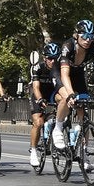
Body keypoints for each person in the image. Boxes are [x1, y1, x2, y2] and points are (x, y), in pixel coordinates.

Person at [50, 21, 94, 152]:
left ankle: (84, 153)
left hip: (77, 74)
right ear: (76, 35)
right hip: (60, 73)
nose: (88, 40)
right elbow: (65, 75)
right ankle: (58, 128)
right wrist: (71, 94)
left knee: (84, 115)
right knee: (66, 98)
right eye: (84, 36)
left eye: (91, 36)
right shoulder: (68, 45)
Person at [27, 41, 60, 169]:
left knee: (61, 99)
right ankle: (34, 150)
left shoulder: (60, 68)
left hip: (53, 93)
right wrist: (40, 99)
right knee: (38, 122)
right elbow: (35, 87)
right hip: (39, 94)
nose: (53, 61)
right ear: (45, 58)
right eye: (50, 58)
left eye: (55, 58)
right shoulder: (38, 68)